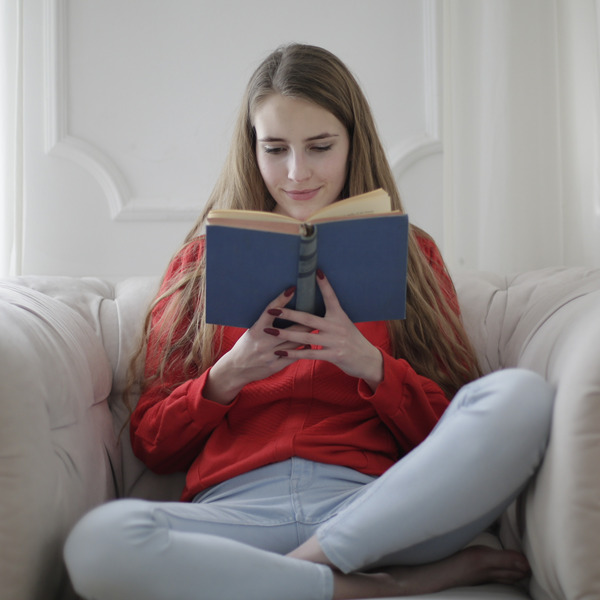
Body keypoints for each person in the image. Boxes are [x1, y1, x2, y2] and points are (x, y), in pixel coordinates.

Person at [64, 43, 555, 600]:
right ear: (252, 150)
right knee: (96, 542)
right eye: (275, 149)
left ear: (353, 143)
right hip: (239, 518)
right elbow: (152, 444)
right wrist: (229, 374)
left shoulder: (412, 257)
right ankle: (374, 588)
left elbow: (448, 433)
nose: (296, 173)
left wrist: (369, 365)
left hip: (377, 512)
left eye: (320, 147)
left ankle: (305, 571)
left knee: (521, 396)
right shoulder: (200, 263)